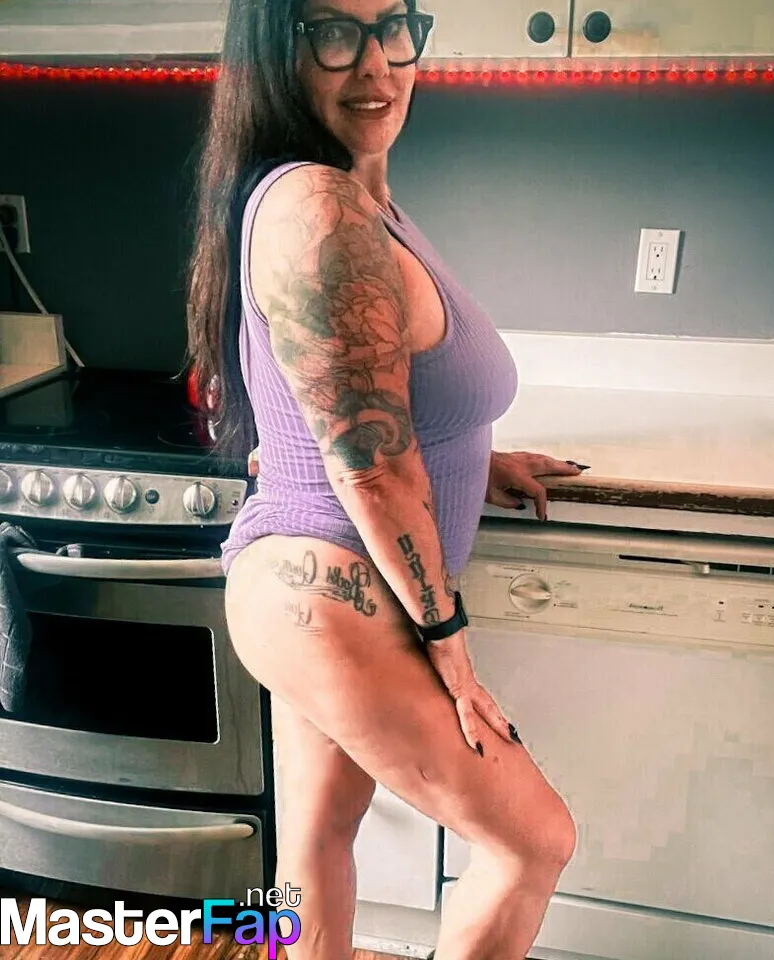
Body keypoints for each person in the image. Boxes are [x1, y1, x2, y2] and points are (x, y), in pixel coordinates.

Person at [187, 2, 588, 957]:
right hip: (326, 598)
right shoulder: (317, 209)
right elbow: (369, 467)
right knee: (531, 843)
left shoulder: (362, 200)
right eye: (333, 32)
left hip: (318, 591)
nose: (375, 63)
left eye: (393, 27)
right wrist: (448, 642)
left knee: (317, 836)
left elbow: (380, 399)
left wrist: (477, 455)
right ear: (276, 53)